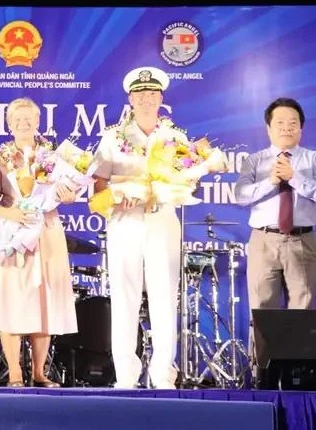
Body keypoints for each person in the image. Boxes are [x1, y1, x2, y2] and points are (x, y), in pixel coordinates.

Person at [89, 67, 184, 389]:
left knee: (164, 298)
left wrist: (173, 187)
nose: (146, 100)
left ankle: (162, 375)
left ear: (161, 98)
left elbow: (187, 180)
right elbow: (98, 184)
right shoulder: (113, 136)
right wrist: (116, 198)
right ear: (130, 99)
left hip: (162, 221)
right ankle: (126, 376)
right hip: (125, 223)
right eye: (140, 95)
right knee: (124, 297)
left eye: (152, 94)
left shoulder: (175, 137)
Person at [0, 97, 78, 388]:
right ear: (9, 125)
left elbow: (66, 190)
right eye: (17, 120)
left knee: (44, 301)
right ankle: (15, 374)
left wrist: (68, 194)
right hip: (14, 234)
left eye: (28, 119)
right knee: (12, 302)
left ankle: (39, 372)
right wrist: (14, 214)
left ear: (38, 122)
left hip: (46, 233)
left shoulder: (53, 157)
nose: (23, 124)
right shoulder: (1, 158)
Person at [234, 97, 316, 310]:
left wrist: (294, 177)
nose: (287, 128)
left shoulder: (314, 159)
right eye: (280, 122)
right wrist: (271, 181)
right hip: (263, 240)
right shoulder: (254, 160)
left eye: (293, 123)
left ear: (301, 128)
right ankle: (262, 346)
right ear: (268, 128)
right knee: (261, 310)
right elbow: (240, 196)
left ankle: (300, 346)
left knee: (303, 311)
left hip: (302, 240)